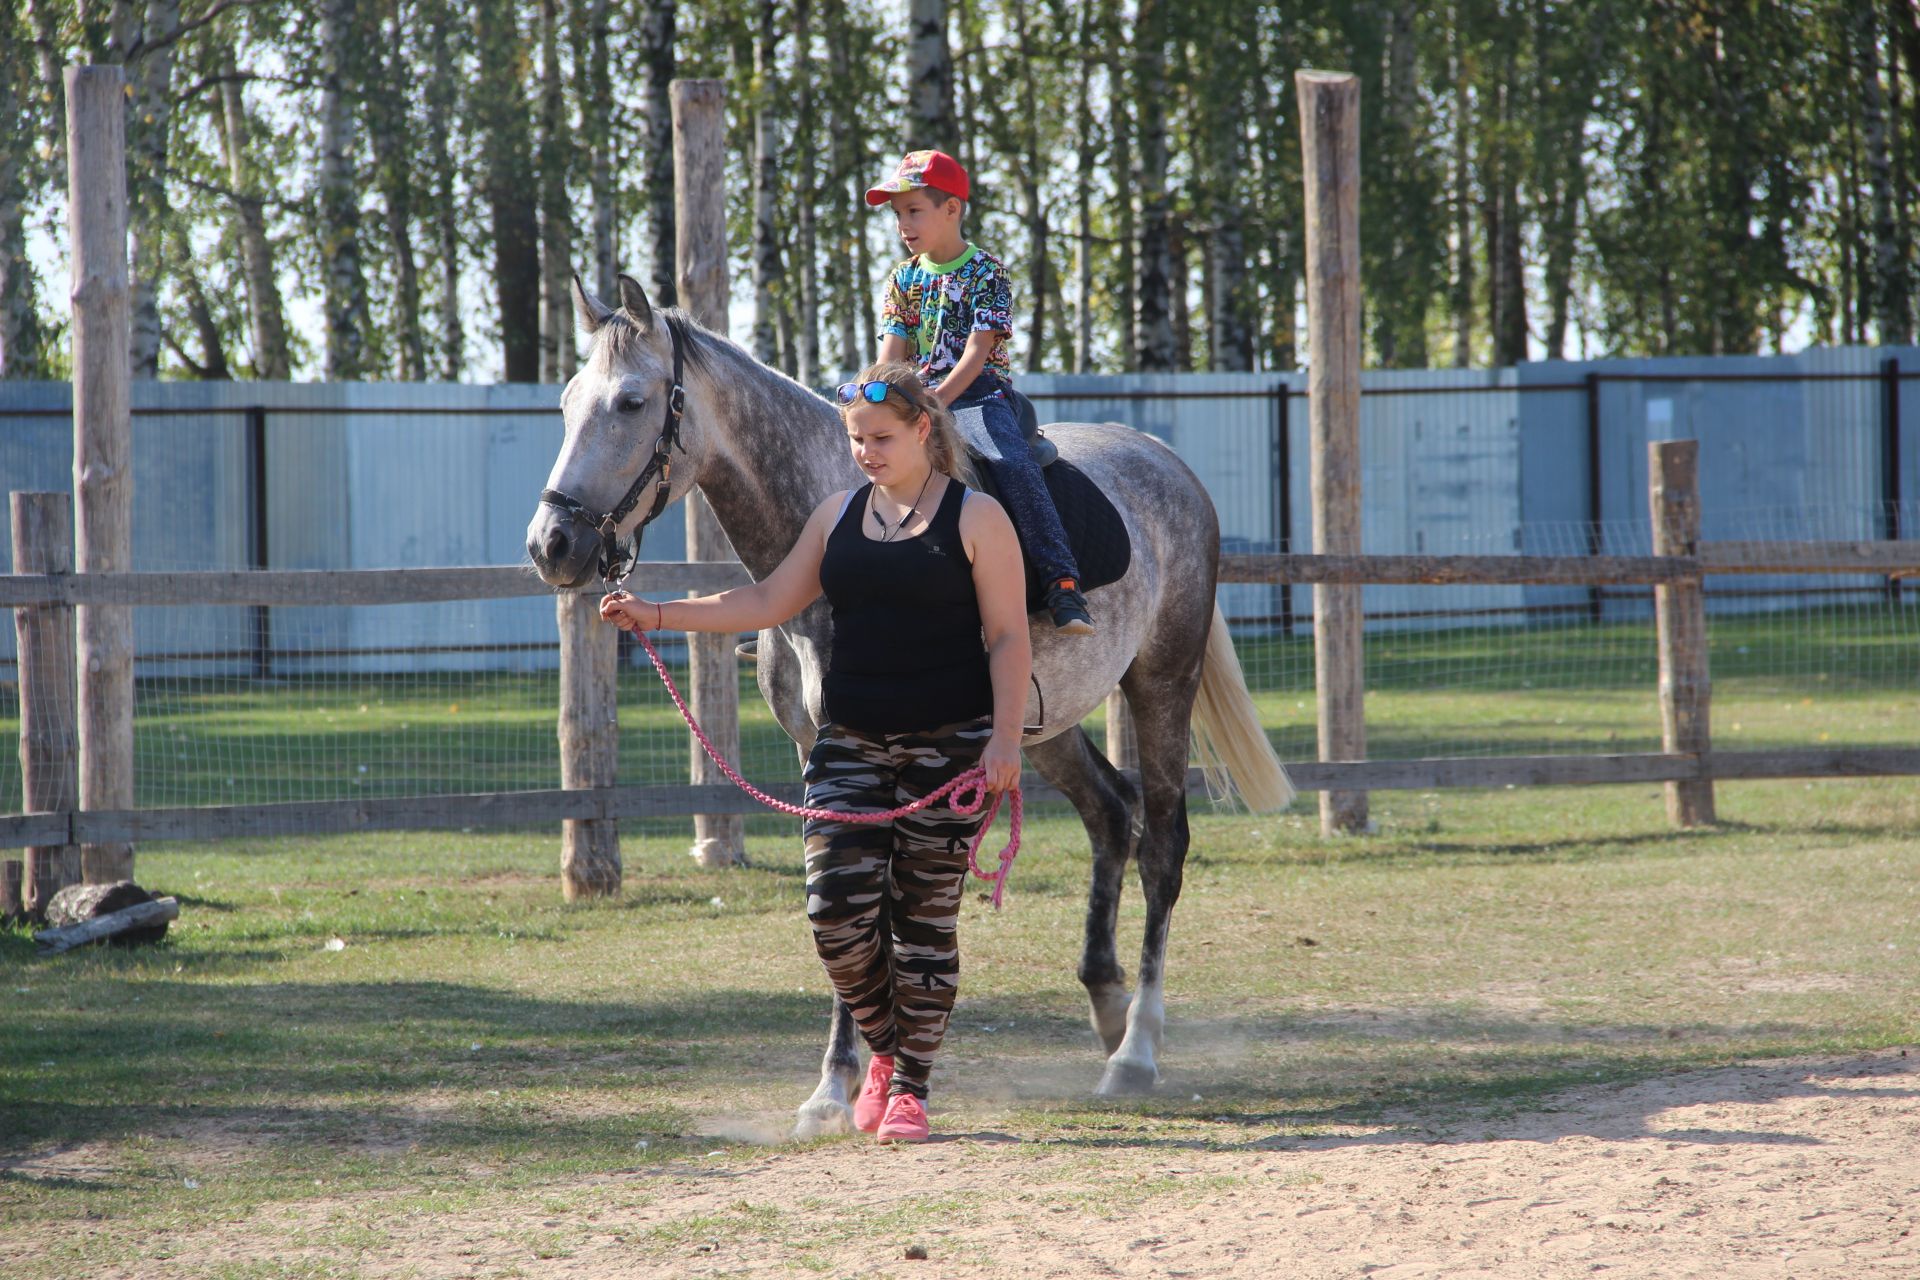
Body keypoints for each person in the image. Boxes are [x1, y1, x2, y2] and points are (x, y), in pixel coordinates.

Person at [598, 364, 1031, 1144]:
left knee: (924, 923)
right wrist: (655, 613)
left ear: (925, 430)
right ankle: (889, 1048)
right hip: (849, 744)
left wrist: (1003, 737)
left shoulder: (979, 521)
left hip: (949, 750)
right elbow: (764, 602)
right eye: (857, 440)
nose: (865, 452)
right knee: (834, 915)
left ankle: (909, 1090)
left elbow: (1007, 636)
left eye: (881, 438)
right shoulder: (836, 517)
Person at [865, 148, 1095, 636]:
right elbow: (892, 350)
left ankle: (1062, 581)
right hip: (913, 397)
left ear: (952, 209)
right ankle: (813, 597)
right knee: (848, 458)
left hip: (976, 395)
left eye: (913, 210)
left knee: (1012, 465)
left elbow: (976, 351)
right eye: (897, 214)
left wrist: (935, 402)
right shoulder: (902, 277)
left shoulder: (987, 272)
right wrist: (877, 397)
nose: (903, 224)